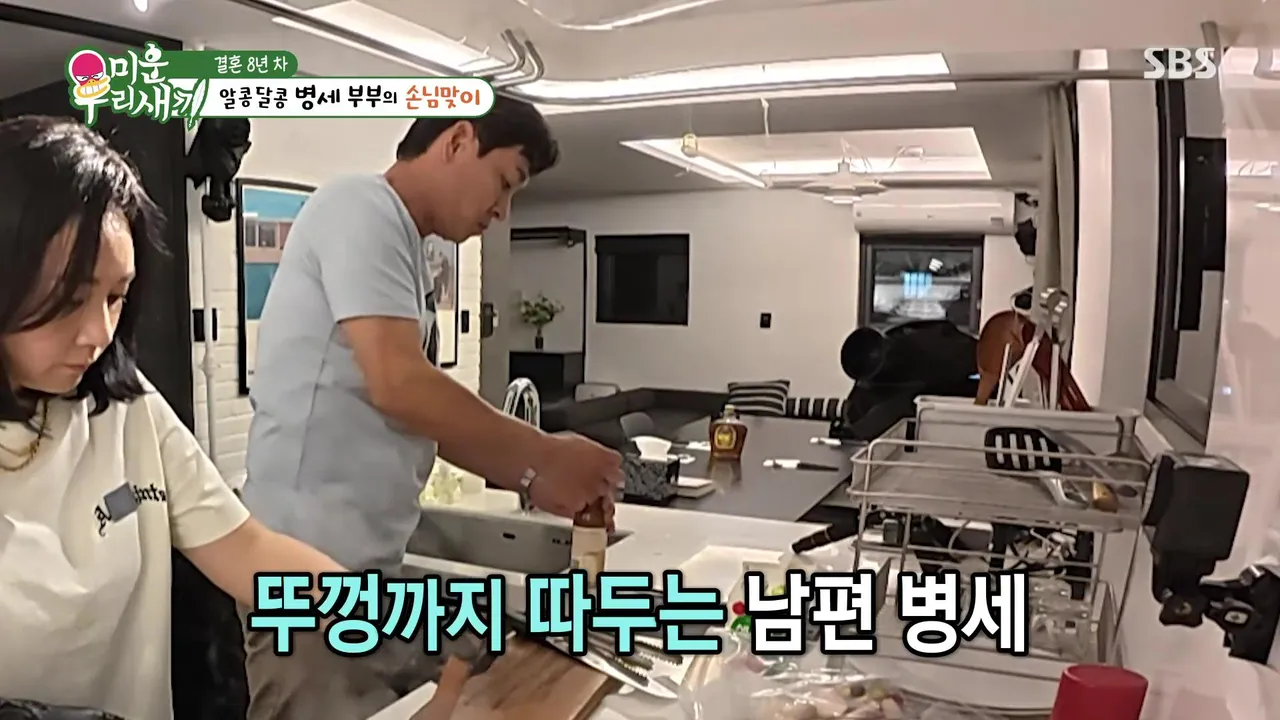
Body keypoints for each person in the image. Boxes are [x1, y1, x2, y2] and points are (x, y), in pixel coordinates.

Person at [239, 97, 624, 717]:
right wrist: (545, 455)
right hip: (305, 577)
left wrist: (531, 474)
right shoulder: (359, 206)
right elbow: (400, 384)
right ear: (458, 141)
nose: (502, 211)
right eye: (505, 182)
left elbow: (419, 413)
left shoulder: (407, 248)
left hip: (360, 575)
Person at [0, 115, 349, 719]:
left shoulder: (124, 406)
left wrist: (409, 618)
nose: (98, 333)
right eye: (70, 297)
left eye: (116, 297)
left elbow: (248, 552)